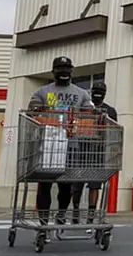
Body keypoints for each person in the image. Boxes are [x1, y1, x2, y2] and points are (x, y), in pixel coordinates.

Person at [27, 56, 94, 235]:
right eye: (59, 68)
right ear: (53, 71)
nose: (63, 71)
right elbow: (33, 110)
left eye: (67, 68)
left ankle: (61, 214)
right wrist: (38, 110)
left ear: (72, 71)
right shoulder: (42, 92)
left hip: (71, 145)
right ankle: (43, 223)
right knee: (45, 184)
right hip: (48, 145)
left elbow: (90, 115)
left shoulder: (82, 94)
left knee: (66, 186)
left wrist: (89, 114)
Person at [70, 82, 117, 225]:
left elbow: (114, 130)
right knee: (77, 185)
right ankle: (76, 211)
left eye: (101, 91)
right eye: (96, 91)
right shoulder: (84, 108)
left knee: (94, 185)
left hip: (98, 153)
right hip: (81, 149)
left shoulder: (110, 111)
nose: (98, 93)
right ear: (91, 92)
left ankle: (91, 214)